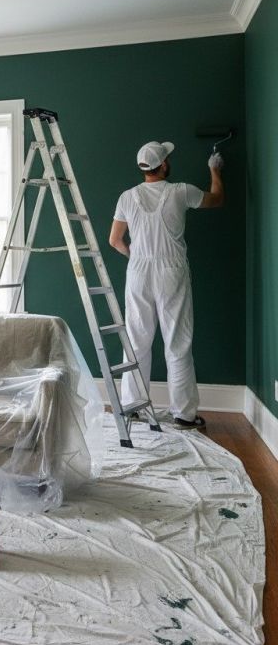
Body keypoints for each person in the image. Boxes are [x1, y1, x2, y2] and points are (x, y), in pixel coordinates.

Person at [108, 141, 224, 429]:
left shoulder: (127, 197)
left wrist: (134, 255)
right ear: (163, 166)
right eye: (167, 158)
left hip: (138, 270)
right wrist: (214, 170)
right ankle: (184, 414)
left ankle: (133, 406)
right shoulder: (180, 191)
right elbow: (216, 199)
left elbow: (115, 241)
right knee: (178, 343)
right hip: (171, 270)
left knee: (136, 340)